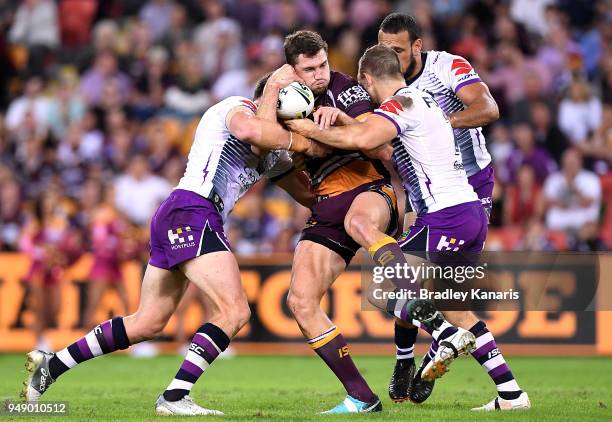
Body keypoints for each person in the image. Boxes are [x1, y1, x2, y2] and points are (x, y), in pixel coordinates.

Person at [22, 72, 326, 416]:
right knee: (235, 311)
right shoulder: (237, 108)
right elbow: (253, 134)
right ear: (271, 102)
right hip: (193, 209)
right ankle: (174, 396)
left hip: (182, 213)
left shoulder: (274, 154)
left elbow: (307, 195)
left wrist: (313, 163)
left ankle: (52, 365)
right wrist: (298, 133)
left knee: (147, 322)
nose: (293, 127)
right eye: (289, 118)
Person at [286, 44, 530, 411]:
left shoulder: (401, 104)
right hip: (468, 212)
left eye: (364, 86)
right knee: (455, 306)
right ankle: (511, 393)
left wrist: (303, 126)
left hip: (444, 215)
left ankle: (443, 336)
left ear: (367, 79)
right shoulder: (423, 100)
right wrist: (343, 118)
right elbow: (378, 139)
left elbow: (362, 140)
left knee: (382, 290)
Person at [278, 31, 465, 414]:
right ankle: (362, 397)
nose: (319, 75)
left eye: (322, 65)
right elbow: (272, 161)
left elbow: (380, 146)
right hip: (326, 203)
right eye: (309, 69)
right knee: (300, 301)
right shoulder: (277, 94)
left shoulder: (349, 89)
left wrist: (327, 130)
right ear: (292, 70)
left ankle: (434, 320)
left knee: (359, 225)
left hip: (368, 189)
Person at [377, 13, 524, 408]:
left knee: (439, 290)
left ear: (417, 47)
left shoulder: (448, 67)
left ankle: (445, 348)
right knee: (407, 279)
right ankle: (407, 361)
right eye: (383, 49)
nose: (389, 57)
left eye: (397, 50)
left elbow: (488, 108)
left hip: (469, 187)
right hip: (422, 191)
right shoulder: (388, 83)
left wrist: (441, 122)